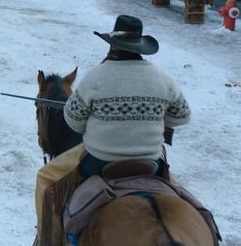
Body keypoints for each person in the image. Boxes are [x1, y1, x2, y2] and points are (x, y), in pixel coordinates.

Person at [34, 15, 190, 246]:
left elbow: (74, 120)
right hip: (151, 161)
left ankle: (46, 239)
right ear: (140, 47)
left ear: (112, 46)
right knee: (182, 200)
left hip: (100, 159)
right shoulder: (162, 78)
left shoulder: (96, 76)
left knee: (45, 177)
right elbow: (182, 116)